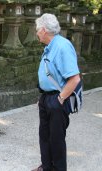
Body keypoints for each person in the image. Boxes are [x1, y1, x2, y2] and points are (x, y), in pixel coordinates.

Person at [32, 13, 81, 171]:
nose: (36, 32)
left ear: (44, 30)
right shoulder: (49, 46)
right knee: (44, 137)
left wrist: (59, 99)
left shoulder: (62, 46)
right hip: (47, 97)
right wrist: (44, 97)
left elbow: (74, 79)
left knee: (56, 140)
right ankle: (46, 167)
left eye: (38, 29)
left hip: (58, 99)